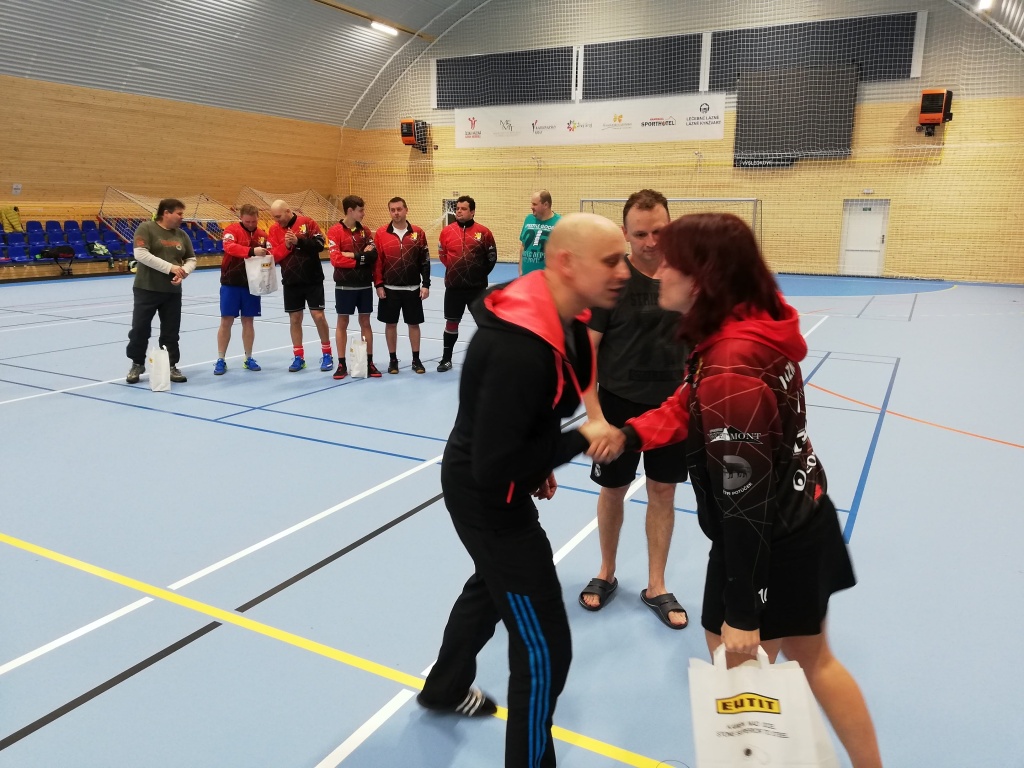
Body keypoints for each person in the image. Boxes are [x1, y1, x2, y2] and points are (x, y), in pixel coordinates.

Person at [590, 213, 883, 768]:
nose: (659, 270)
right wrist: (629, 435)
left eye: (672, 263)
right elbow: (690, 401)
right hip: (804, 516)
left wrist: (744, 609)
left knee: (739, 676)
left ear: (702, 278)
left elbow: (745, 503)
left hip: (767, 542)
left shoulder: (731, 367)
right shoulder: (746, 328)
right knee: (814, 661)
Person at [417, 213, 629, 768]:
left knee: (491, 588)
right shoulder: (517, 348)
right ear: (567, 263)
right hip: (488, 498)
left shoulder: (559, 315)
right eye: (611, 260)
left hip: (496, 478)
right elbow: (496, 466)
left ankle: (444, 686)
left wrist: (537, 455)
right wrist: (575, 441)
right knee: (544, 651)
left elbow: (533, 411)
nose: (624, 271)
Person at [578, 190, 691, 630]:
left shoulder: (687, 278)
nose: (650, 242)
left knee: (664, 492)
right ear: (625, 233)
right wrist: (595, 417)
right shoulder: (611, 282)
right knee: (613, 490)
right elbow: (585, 354)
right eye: (640, 234)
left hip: (673, 409)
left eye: (658, 232)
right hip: (617, 408)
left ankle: (656, 584)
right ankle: (606, 571)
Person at [125, 198, 196, 384]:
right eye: (179, 213)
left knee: (171, 332)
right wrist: (171, 268)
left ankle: (171, 365)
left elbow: (191, 259)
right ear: (166, 213)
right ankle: (137, 363)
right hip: (146, 289)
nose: (182, 217)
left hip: (172, 292)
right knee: (140, 329)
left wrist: (183, 272)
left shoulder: (182, 235)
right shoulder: (146, 228)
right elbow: (141, 254)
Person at [267, 200, 333, 373]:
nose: (276, 220)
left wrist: (299, 241)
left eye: (278, 216)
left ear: (288, 211)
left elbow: (320, 245)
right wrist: (286, 245)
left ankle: (327, 354)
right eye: (274, 217)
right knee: (295, 319)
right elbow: (272, 256)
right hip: (291, 282)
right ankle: (298, 357)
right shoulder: (274, 230)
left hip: (313, 280)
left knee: (318, 316)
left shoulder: (307, 222)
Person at [436, 195, 497, 372]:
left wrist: (477, 275)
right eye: (457, 209)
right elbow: (443, 255)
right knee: (451, 323)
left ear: (472, 212)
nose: (459, 211)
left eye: (463, 209)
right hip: (454, 288)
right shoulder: (446, 231)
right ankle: (446, 359)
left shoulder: (484, 232)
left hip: (477, 289)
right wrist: (456, 271)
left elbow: (492, 258)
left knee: (483, 324)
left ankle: (489, 360)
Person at [373, 197, 430, 374]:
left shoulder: (418, 233)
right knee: (390, 324)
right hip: (389, 289)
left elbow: (425, 261)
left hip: (413, 289)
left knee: (414, 324)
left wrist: (426, 284)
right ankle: (393, 360)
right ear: (389, 212)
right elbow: (377, 262)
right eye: (392, 210)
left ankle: (416, 360)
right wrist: (378, 284)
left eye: (399, 209)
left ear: (406, 210)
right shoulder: (381, 233)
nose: (396, 213)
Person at [328, 195, 381, 379]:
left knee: (365, 322)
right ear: (350, 211)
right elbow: (336, 259)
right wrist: (361, 259)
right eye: (361, 210)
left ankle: (369, 362)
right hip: (344, 286)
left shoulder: (365, 231)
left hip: (364, 285)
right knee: (342, 323)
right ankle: (341, 364)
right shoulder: (335, 231)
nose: (363, 213)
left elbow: (373, 255)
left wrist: (352, 255)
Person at [213, 204, 269, 375]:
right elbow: (229, 247)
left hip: (252, 285)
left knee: (248, 321)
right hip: (230, 282)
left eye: (254, 221)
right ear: (241, 218)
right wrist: (252, 251)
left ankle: (248, 358)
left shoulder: (262, 235)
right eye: (247, 221)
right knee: (226, 320)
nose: (251, 224)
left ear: (258, 218)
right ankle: (221, 359)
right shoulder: (231, 230)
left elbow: (271, 254)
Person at [518, 190, 560, 275]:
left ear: (546, 205)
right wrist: (520, 269)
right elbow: (523, 246)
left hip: (547, 277)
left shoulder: (559, 222)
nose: (531, 207)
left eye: (535, 204)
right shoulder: (528, 219)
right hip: (527, 276)